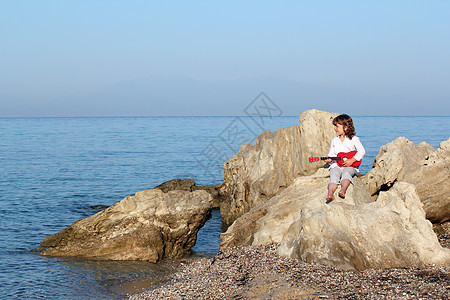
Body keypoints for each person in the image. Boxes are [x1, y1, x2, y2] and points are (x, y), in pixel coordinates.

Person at [325, 114, 365, 202]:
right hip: (337, 165)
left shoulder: (354, 139)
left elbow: (362, 151)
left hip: (350, 166)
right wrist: (329, 160)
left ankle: (343, 190)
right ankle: (330, 193)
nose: (335, 128)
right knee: (333, 176)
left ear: (346, 127)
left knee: (346, 174)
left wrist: (352, 160)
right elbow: (332, 154)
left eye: (337, 126)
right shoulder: (335, 140)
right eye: (335, 126)